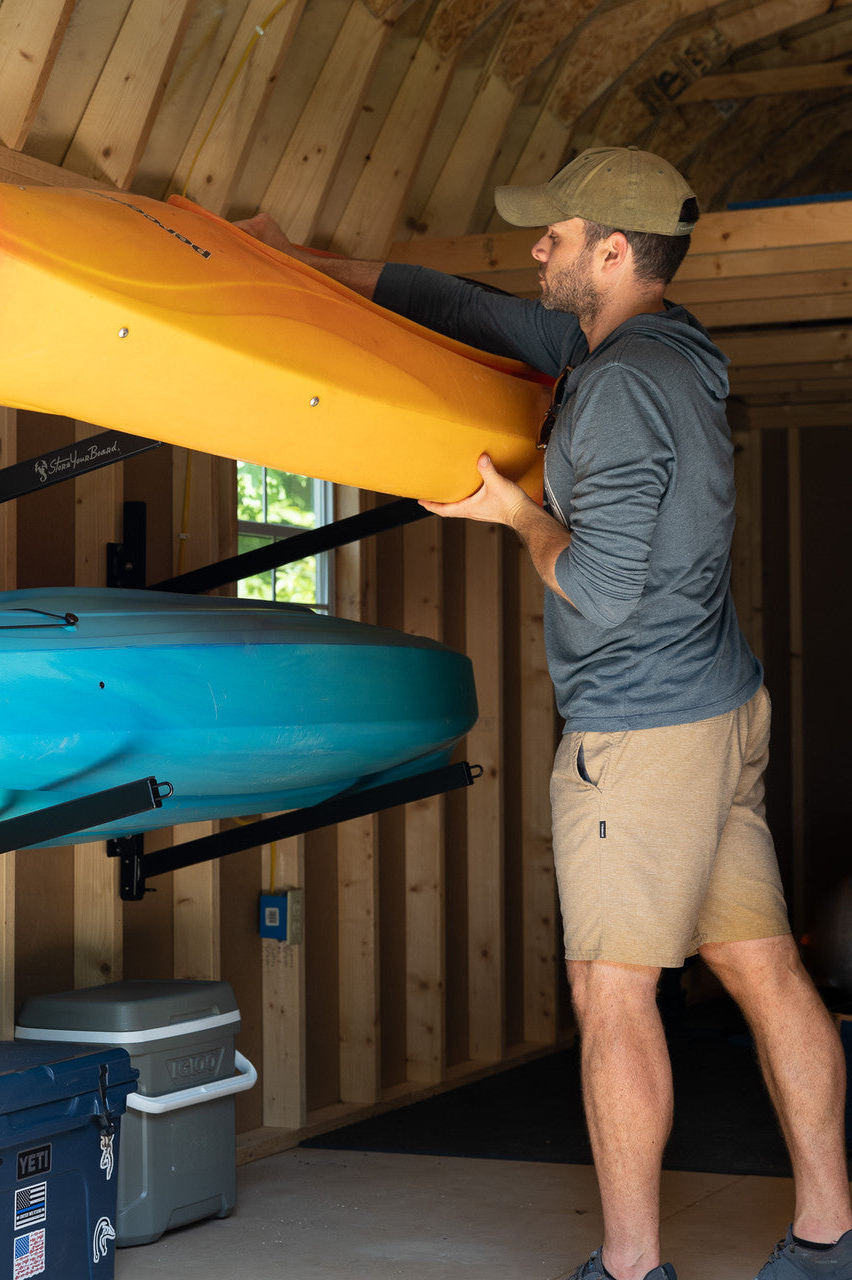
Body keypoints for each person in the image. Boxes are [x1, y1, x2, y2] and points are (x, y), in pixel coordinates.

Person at [237, 146, 852, 1280]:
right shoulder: (661, 346)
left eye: (554, 234)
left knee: (609, 994)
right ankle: (828, 1240)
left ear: (612, 252)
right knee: (764, 969)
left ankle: (627, 1270)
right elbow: (456, 302)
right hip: (717, 709)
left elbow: (603, 584)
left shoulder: (613, 387)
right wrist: (298, 262)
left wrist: (508, 511)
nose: (534, 248)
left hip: (638, 728)